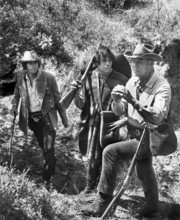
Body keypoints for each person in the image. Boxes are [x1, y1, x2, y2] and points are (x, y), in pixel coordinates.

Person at [81, 43, 171, 217]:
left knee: (110, 152)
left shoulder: (162, 86)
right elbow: (121, 110)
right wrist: (116, 101)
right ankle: (153, 208)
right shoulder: (132, 81)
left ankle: (102, 203)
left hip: (151, 136)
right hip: (134, 134)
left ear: (151, 63)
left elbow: (157, 116)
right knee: (143, 168)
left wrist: (132, 101)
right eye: (133, 62)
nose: (134, 66)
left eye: (139, 62)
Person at [73, 45, 128, 193]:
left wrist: (123, 121)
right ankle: (90, 188)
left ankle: (101, 191)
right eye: (104, 61)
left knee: (107, 158)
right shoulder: (89, 78)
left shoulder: (121, 79)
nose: (108, 63)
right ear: (97, 62)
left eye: (110, 60)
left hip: (110, 126)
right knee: (90, 158)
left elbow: (127, 106)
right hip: (90, 125)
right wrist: (76, 92)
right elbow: (81, 105)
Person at [11, 50, 68, 188]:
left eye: (35, 62)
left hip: (47, 116)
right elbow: (16, 95)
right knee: (45, 148)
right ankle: (53, 166)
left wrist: (64, 118)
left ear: (38, 63)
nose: (33, 65)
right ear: (25, 65)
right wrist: (14, 107)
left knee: (49, 148)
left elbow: (58, 99)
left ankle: (47, 180)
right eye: (30, 63)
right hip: (32, 118)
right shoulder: (20, 77)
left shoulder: (48, 77)